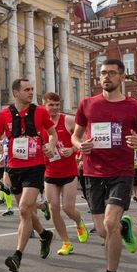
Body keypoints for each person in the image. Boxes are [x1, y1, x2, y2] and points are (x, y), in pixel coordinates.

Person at [71, 58, 137, 272]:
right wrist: (80, 146)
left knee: (108, 223)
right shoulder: (87, 104)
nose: (107, 77)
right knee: (104, 230)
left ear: (122, 77)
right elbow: (75, 136)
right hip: (93, 171)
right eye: (103, 73)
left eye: (112, 73)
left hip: (121, 172)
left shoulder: (134, 107)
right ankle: (123, 228)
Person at [0, 78, 58, 272]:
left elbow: (52, 133)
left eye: (32, 89)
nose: (31, 93)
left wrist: (51, 146)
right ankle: (44, 234)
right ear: (16, 93)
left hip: (35, 165)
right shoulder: (4, 114)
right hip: (14, 167)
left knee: (23, 209)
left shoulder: (40, 112)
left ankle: (17, 255)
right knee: (28, 212)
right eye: (27, 90)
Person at [42, 92, 89, 255]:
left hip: (69, 171)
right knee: (53, 207)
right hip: (50, 172)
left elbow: (82, 138)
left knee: (68, 208)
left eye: (57, 105)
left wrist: (73, 149)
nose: (54, 108)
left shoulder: (67, 120)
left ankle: (79, 222)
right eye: (51, 105)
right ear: (44, 105)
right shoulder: (40, 124)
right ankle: (66, 242)